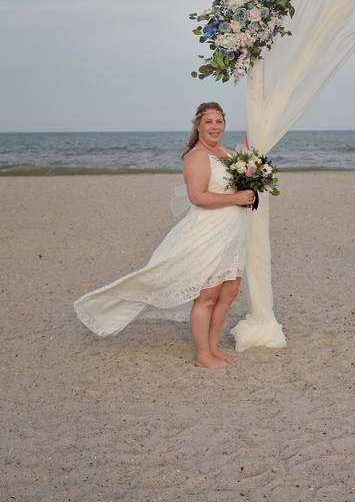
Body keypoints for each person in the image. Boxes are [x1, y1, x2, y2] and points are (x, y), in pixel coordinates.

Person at [73, 102, 255, 369]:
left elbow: (246, 157)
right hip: (208, 233)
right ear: (197, 126)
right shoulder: (196, 156)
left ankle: (214, 347)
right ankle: (203, 354)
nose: (215, 126)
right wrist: (237, 197)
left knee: (229, 293)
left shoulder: (225, 154)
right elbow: (198, 197)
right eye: (209, 122)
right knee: (207, 295)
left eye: (219, 121)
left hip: (232, 234)